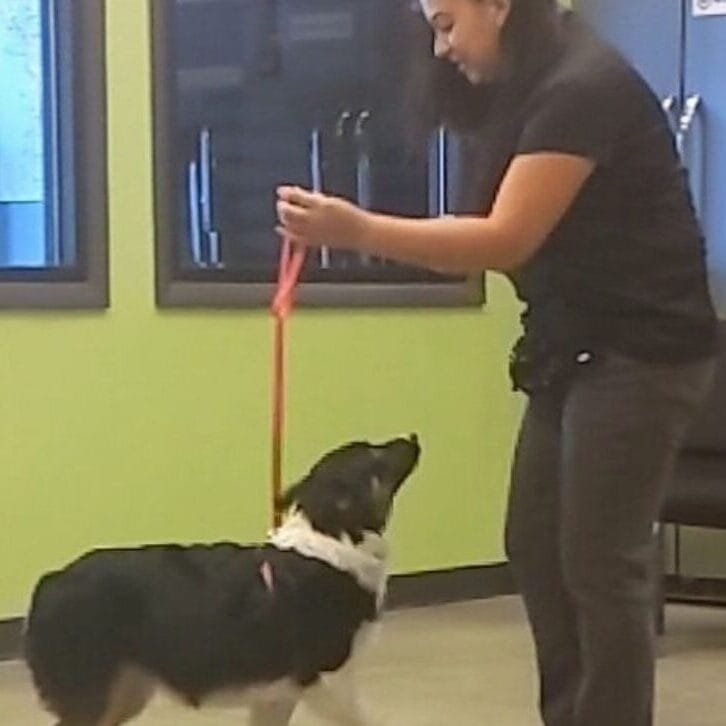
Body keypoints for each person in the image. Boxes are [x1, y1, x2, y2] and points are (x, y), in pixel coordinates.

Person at [275, 1, 719, 724]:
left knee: (600, 563)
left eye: (448, 22)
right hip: (570, 345)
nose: (439, 45)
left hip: (644, 351)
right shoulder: (530, 89)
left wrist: (354, 229)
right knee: (537, 545)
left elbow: (504, 239)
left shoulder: (584, 88)